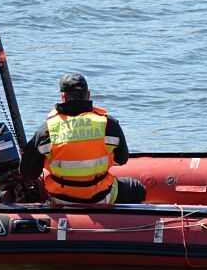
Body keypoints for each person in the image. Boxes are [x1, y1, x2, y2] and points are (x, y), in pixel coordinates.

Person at [19, 73, 146, 204]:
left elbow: (28, 173)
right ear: (88, 95)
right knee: (136, 188)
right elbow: (122, 159)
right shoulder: (109, 124)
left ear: (63, 97)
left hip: (61, 199)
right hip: (101, 196)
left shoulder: (46, 130)